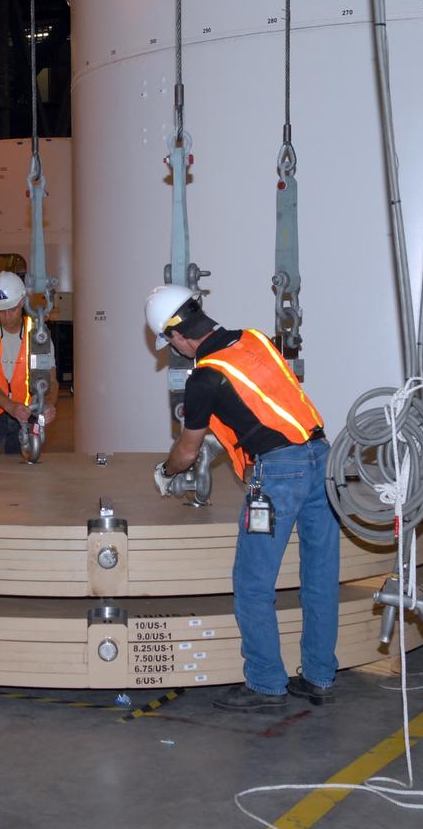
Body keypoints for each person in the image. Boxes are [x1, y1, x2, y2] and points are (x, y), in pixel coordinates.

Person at [145, 285, 340, 711]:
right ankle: (320, 676)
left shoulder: (205, 377)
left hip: (278, 475)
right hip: (323, 458)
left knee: (253, 585)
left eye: (169, 342)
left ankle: (266, 683)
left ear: (177, 336)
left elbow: (187, 451)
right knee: (320, 577)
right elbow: (262, 404)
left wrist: (166, 472)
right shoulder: (254, 339)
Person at [0, 271, 59, 456]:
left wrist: (49, 404)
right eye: (1, 311)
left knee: (22, 474)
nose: (7, 316)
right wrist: (10, 407)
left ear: (22, 302)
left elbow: (51, 379)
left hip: (27, 411)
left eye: (13, 309)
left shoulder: (39, 337)